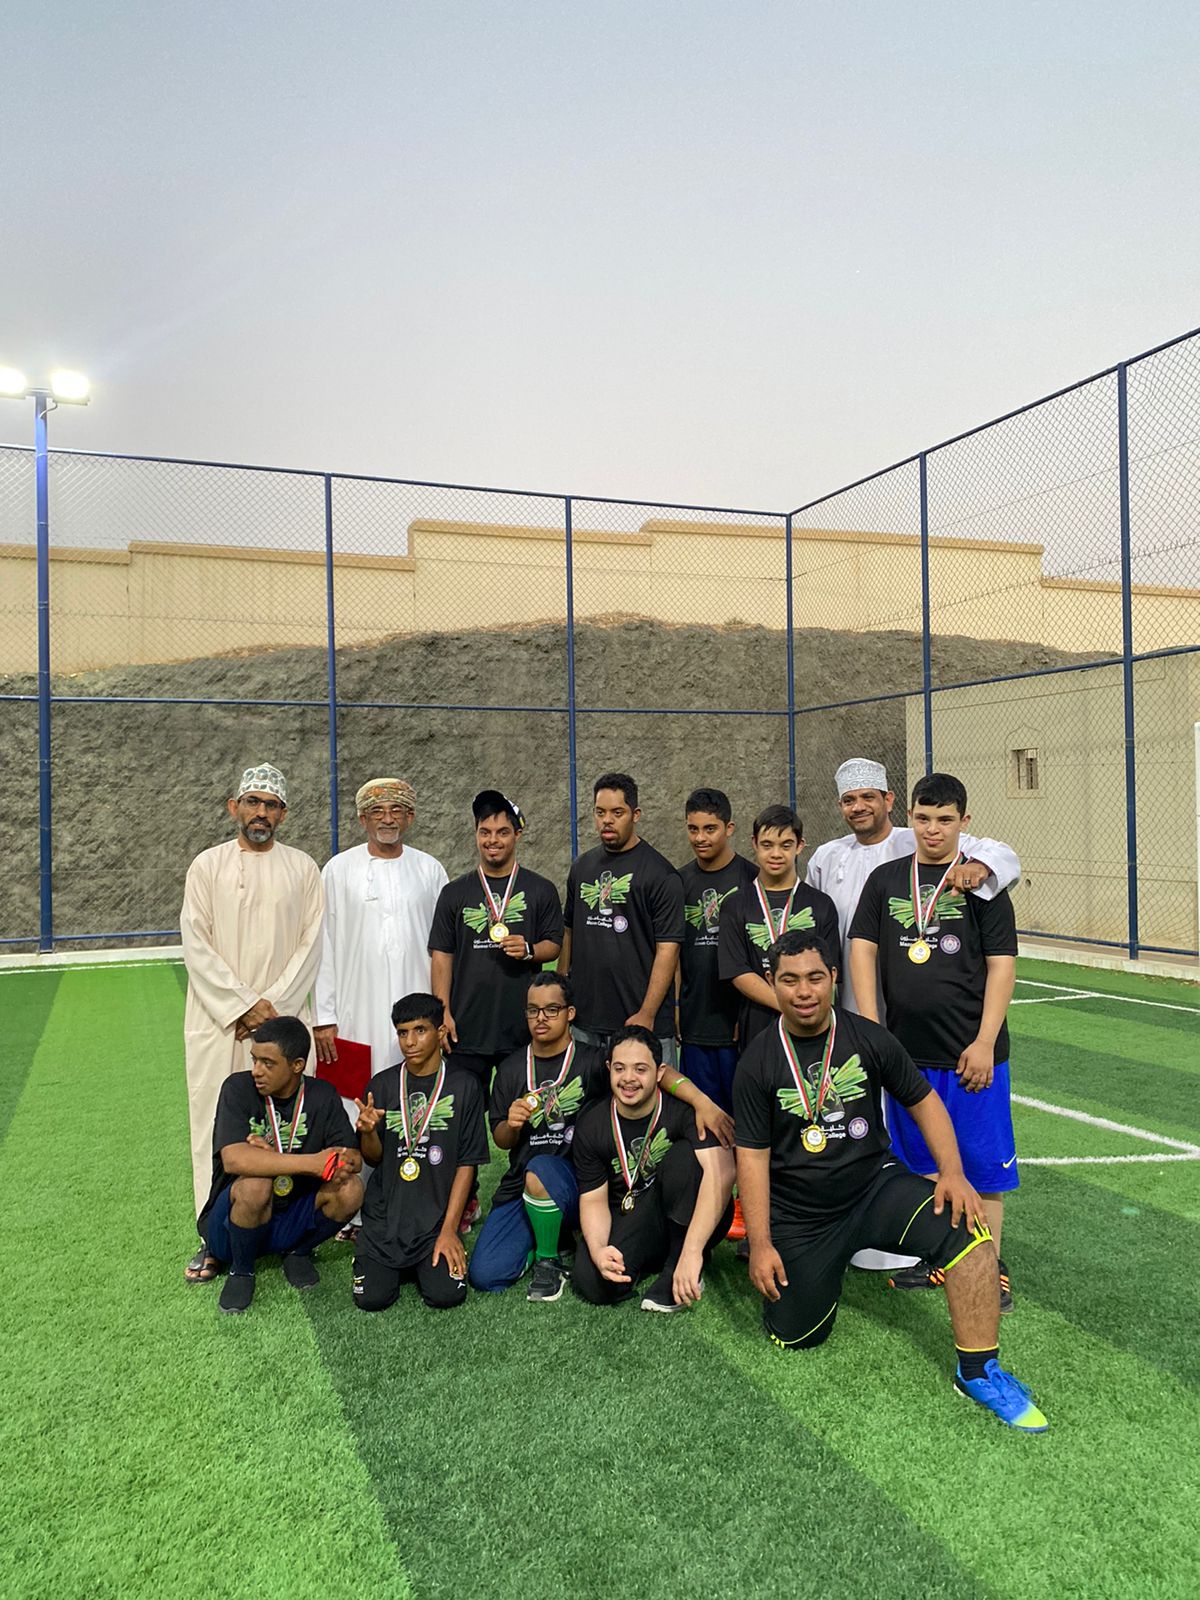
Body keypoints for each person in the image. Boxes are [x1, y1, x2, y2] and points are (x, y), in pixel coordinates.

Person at [734, 931, 1045, 1431]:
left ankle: (978, 1372)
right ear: (772, 983)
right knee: (798, 1336)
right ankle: (812, 1271)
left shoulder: (869, 1038)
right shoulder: (757, 1061)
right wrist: (763, 1240)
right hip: (803, 1212)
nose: (804, 991)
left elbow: (924, 1102)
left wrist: (952, 1173)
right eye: (789, 980)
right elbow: (751, 1158)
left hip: (874, 1188)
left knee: (970, 1232)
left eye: (815, 978)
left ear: (834, 977)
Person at [805, 756, 1019, 1275]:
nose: (933, 829)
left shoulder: (980, 882)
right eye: (925, 819)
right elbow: (861, 947)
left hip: (970, 1054)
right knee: (921, 1161)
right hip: (906, 1052)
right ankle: (937, 1257)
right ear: (912, 819)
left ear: (964, 822)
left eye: (945, 820)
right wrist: (874, 1029)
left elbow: (1002, 965)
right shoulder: (885, 878)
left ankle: (989, 1269)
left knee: (982, 1169)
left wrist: (985, 1042)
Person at [181, 763, 324, 1284]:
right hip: (221, 1022)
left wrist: (272, 1012)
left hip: (283, 1022)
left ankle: (292, 1234)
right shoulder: (207, 866)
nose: (261, 812)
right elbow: (196, 943)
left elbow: (312, 944)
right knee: (215, 1127)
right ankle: (214, 1237)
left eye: (271, 805)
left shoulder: (303, 868)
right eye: (252, 802)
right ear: (234, 807)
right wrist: (244, 1006)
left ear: (283, 814)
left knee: (293, 1125)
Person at [314, 777, 448, 1236]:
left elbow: (444, 949)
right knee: (357, 1104)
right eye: (377, 811)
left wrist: (442, 1011)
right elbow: (323, 945)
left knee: (418, 1101)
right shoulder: (337, 870)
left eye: (396, 810)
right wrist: (325, 1016)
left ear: (410, 817)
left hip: (418, 1015)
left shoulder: (430, 870)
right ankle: (354, 1207)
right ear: (361, 818)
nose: (387, 819)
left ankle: (423, 1201)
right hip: (355, 1013)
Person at [196, 1015, 364, 1316]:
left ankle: (297, 1251)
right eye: (255, 1060)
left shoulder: (322, 1094)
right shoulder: (237, 1088)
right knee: (256, 1181)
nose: (256, 1071)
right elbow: (234, 1159)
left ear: (297, 1065)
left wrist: (271, 1157)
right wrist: (312, 1163)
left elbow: (351, 1158)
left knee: (351, 1188)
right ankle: (242, 1270)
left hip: (293, 1213)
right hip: (231, 1223)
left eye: (268, 1063)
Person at [468, 971, 609, 1302]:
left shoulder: (593, 1061)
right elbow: (501, 1139)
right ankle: (548, 1236)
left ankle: (549, 1261)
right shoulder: (511, 1068)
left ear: (570, 1013)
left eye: (551, 1009)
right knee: (486, 1275)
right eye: (533, 1010)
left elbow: (644, 1070)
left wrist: (700, 1101)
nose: (541, 1018)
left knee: (542, 1167)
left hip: (582, 1186)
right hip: (524, 1185)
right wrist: (511, 1125)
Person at [572, 1026, 735, 1312]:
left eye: (640, 1069)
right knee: (593, 1282)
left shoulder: (686, 1110)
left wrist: (693, 1251)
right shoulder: (592, 1123)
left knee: (686, 1157)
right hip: (635, 1214)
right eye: (620, 1068)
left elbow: (722, 1174)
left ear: (659, 1073)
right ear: (609, 1068)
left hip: (689, 1211)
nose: (628, 1078)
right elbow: (594, 1199)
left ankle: (680, 1262)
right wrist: (598, 1251)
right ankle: (658, 1256)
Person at [351, 993, 488, 1313]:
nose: (410, 1042)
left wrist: (449, 1230)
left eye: (420, 1030)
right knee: (371, 1299)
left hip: (434, 1221)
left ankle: (429, 1255)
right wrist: (368, 1133)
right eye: (402, 1033)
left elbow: (467, 1163)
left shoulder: (464, 1086)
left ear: (440, 1032)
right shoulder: (382, 1085)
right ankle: (376, 1257)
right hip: (386, 1219)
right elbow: (373, 1158)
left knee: (446, 1295)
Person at [429, 789, 563, 1091]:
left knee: (519, 1110)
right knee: (465, 1110)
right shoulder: (454, 893)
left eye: (502, 832)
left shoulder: (541, 889)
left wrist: (528, 950)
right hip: (465, 1027)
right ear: (476, 834)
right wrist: (443, 1012)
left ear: (517, 834)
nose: (493, 840)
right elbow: (442, 955)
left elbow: (554, 944)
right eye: (485, 832)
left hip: (522, 1026)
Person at [561, 773, 684, 1068]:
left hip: (641, 1022)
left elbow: (668, 950)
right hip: (586, 1022)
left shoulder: (661, 874)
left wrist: (648, 1013)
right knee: (587, 1097)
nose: (607, 820)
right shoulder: (581, 868)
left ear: (635, 814)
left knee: (649, 1095)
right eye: (600, 812)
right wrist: (563, 995)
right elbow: (569, 931)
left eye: (617, 812)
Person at [718, 804, 840, 1053]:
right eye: (767, 845)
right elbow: (737, 970)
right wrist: (788, 1003)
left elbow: (829, 972)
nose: (776, 854)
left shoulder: (821, 904)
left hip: (811, 1020)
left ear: (800, 845)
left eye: (785, 845)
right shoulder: (735, 905)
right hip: (758, 1022)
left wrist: (801, 1004)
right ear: (754, 843)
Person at [676, 787, 758, 1113]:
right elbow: (674, 951)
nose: (700, 838)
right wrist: (677, 1005)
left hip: (739, 1025)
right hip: (695, 1023)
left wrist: (747, 1012)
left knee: (744, 1116)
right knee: (703, 1118)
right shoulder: (678, 882)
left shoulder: (752, 879)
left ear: (729, 828)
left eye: (710, 828)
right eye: (693, 829)